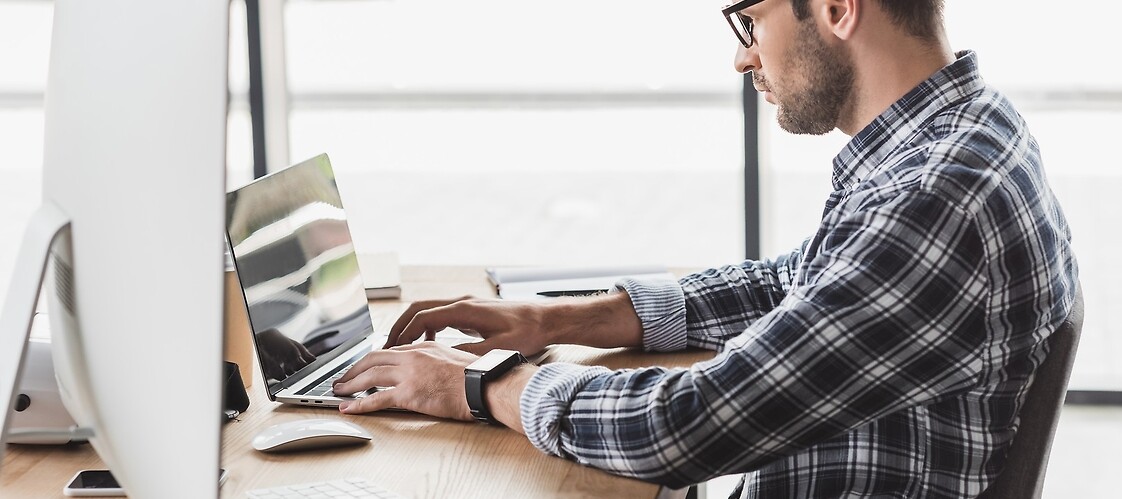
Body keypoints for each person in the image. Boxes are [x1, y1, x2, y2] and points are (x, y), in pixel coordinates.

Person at [332, 0, 1080, 497]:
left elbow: (683, 427)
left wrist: (473, 386)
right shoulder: (958, 133)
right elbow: (791, 284)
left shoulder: (934, 201)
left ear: (837, 8)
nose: (743, 58)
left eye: (749, 21)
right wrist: (556, 321)